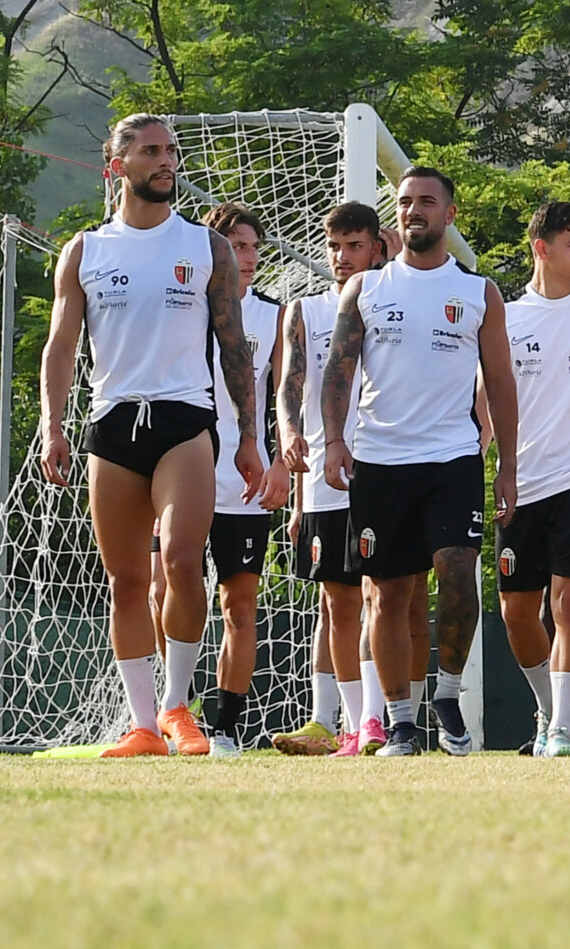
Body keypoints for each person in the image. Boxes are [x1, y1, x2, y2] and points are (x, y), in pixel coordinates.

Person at [40, 114, 265, 758]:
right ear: (117, 167)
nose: (166, 161)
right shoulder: (85, 250)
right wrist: (52, 426)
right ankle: (142, 724)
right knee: (125, 580)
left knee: (181, 559)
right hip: (111, 421)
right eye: (150, 151)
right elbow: (60, 349)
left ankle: (175, 706)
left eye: (171, 150)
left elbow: (233, 348)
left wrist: (249, 438)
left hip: (184, 420)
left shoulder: (205, 247)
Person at [319, 164, 518, 758]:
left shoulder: (477, 291)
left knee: (458, 572)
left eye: (427, 202)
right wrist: (334, 440)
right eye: (405, 202)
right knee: (389, 592)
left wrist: (507, 465)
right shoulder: (367, 289)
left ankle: (449, 695)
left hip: (452, 457)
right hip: (380, 461)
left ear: (449, 215)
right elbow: (338, 370)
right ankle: (400, 721)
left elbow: (502, 382)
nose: (414, 211)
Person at [497, 200, 570, 759]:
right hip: (523, 483)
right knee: (517, 611)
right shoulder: (506, 317)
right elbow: (483, 403)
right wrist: (494, 469)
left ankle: (564, 730)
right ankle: (547, 710)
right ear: (542, 249)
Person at [270, 201, 384, 755]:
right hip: (321, 479)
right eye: (334, 246)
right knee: (337, 602)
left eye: (354, 245)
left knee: (386, 598)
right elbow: (290, 384)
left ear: (378, 247)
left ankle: (386, 719)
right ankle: (351, 724)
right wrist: (290, 433)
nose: (342, 257)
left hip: (386, 468)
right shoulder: (304, 311)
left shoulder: (393, 302)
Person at [197, 201, 289, 755]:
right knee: (167, 590)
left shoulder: (274, 315)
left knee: (240, 605)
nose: (247, 257)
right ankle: (172, 708)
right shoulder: (187, 308)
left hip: (245, 480)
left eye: (254, 247)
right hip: (181, 470)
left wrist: (282, 463)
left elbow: (287, 398)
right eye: (236, 246)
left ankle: (225, 727)